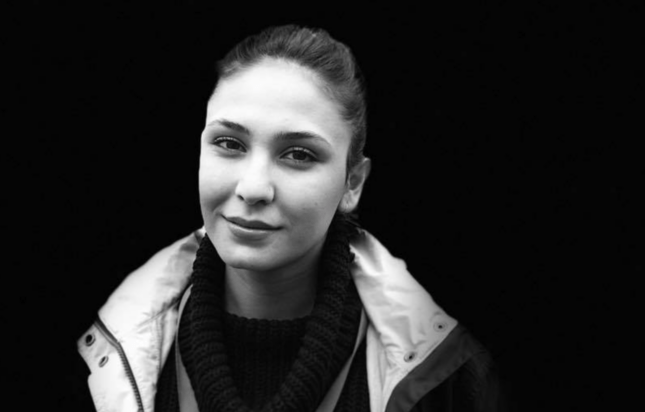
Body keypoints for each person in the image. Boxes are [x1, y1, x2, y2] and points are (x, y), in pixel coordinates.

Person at [77, 25, 504, 412]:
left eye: (298, 154)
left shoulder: (452, 380)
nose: (253, 188)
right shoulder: (99, 360)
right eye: (229, 143)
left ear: (352, 184)